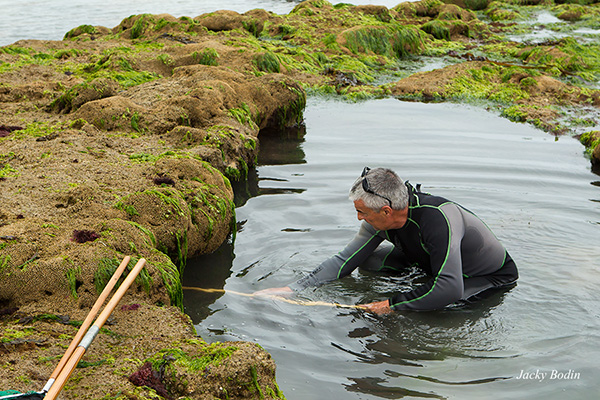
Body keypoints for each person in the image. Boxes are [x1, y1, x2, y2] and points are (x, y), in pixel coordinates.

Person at [255, 167, 518, 314]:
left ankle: (422, 293)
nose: (359, 218)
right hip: (428, 262)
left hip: (484, 276)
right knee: (366, 261)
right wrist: (291, 289)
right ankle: (423, 287)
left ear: (386, 211)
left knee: (444, 305)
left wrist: (390, 304)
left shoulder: (438, 220)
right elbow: (343, 262)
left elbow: (451, 289)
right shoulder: (379, 220)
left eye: (362, 212)